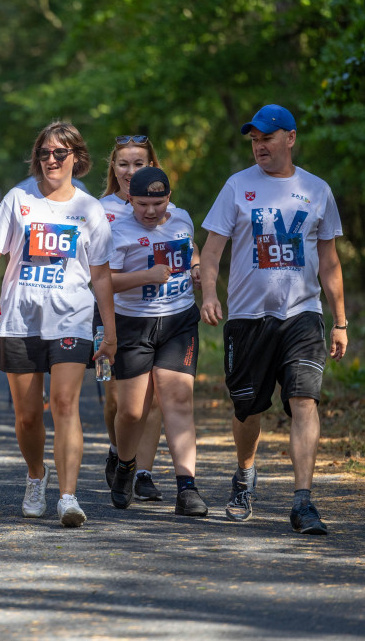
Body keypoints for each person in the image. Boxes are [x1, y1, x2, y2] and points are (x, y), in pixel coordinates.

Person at [200, 104, 348, 535]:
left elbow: (329, 261)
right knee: (247, 407)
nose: (259, 146)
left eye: (267, 137)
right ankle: (244, 476)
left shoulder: (317, 189)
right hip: (248, 317)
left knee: (304, 401)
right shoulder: (236, 187)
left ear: (290, 138)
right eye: (254, 139)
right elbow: (211, 252)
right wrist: (209, 294)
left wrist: (339, 321)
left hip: (303, 314)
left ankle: (303, 501)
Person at [0, 120, 117, 528]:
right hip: (20, 318)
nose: (50, 160)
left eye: (59, 153)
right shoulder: (18, 199)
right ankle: (37, 476)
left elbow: (102, 275)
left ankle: (68, 498)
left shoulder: (90, 210)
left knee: (66, 404)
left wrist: (109, 329)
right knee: (28, 415)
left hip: (71, 316)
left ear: (77, 157)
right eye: (44, 153)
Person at [107, 166, 207, 516]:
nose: (151, 212)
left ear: (169, 199)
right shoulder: (118, 231)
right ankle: (124, 465)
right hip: (133, 324)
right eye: (143, 204)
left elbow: (189, 247)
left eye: (159, 203)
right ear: (130, 199)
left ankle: (187, 487)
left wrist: (195, 266)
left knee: (178, 400)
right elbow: (105, 283)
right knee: (132, 411)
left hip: (179, 321)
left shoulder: (181, 218)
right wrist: (146, 276)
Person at [98, 135, 169, 501]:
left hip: (156, 311)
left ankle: (142, 471)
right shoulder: (101, 208)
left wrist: (198, 265)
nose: (130, 171)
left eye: (139, 164)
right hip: (108, 310)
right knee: (117, 397)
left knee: (152, 396)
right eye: (123, 164)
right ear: (113, 168)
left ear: (151, 165)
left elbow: (184, 247)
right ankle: (118, 451)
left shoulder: (162, 204)